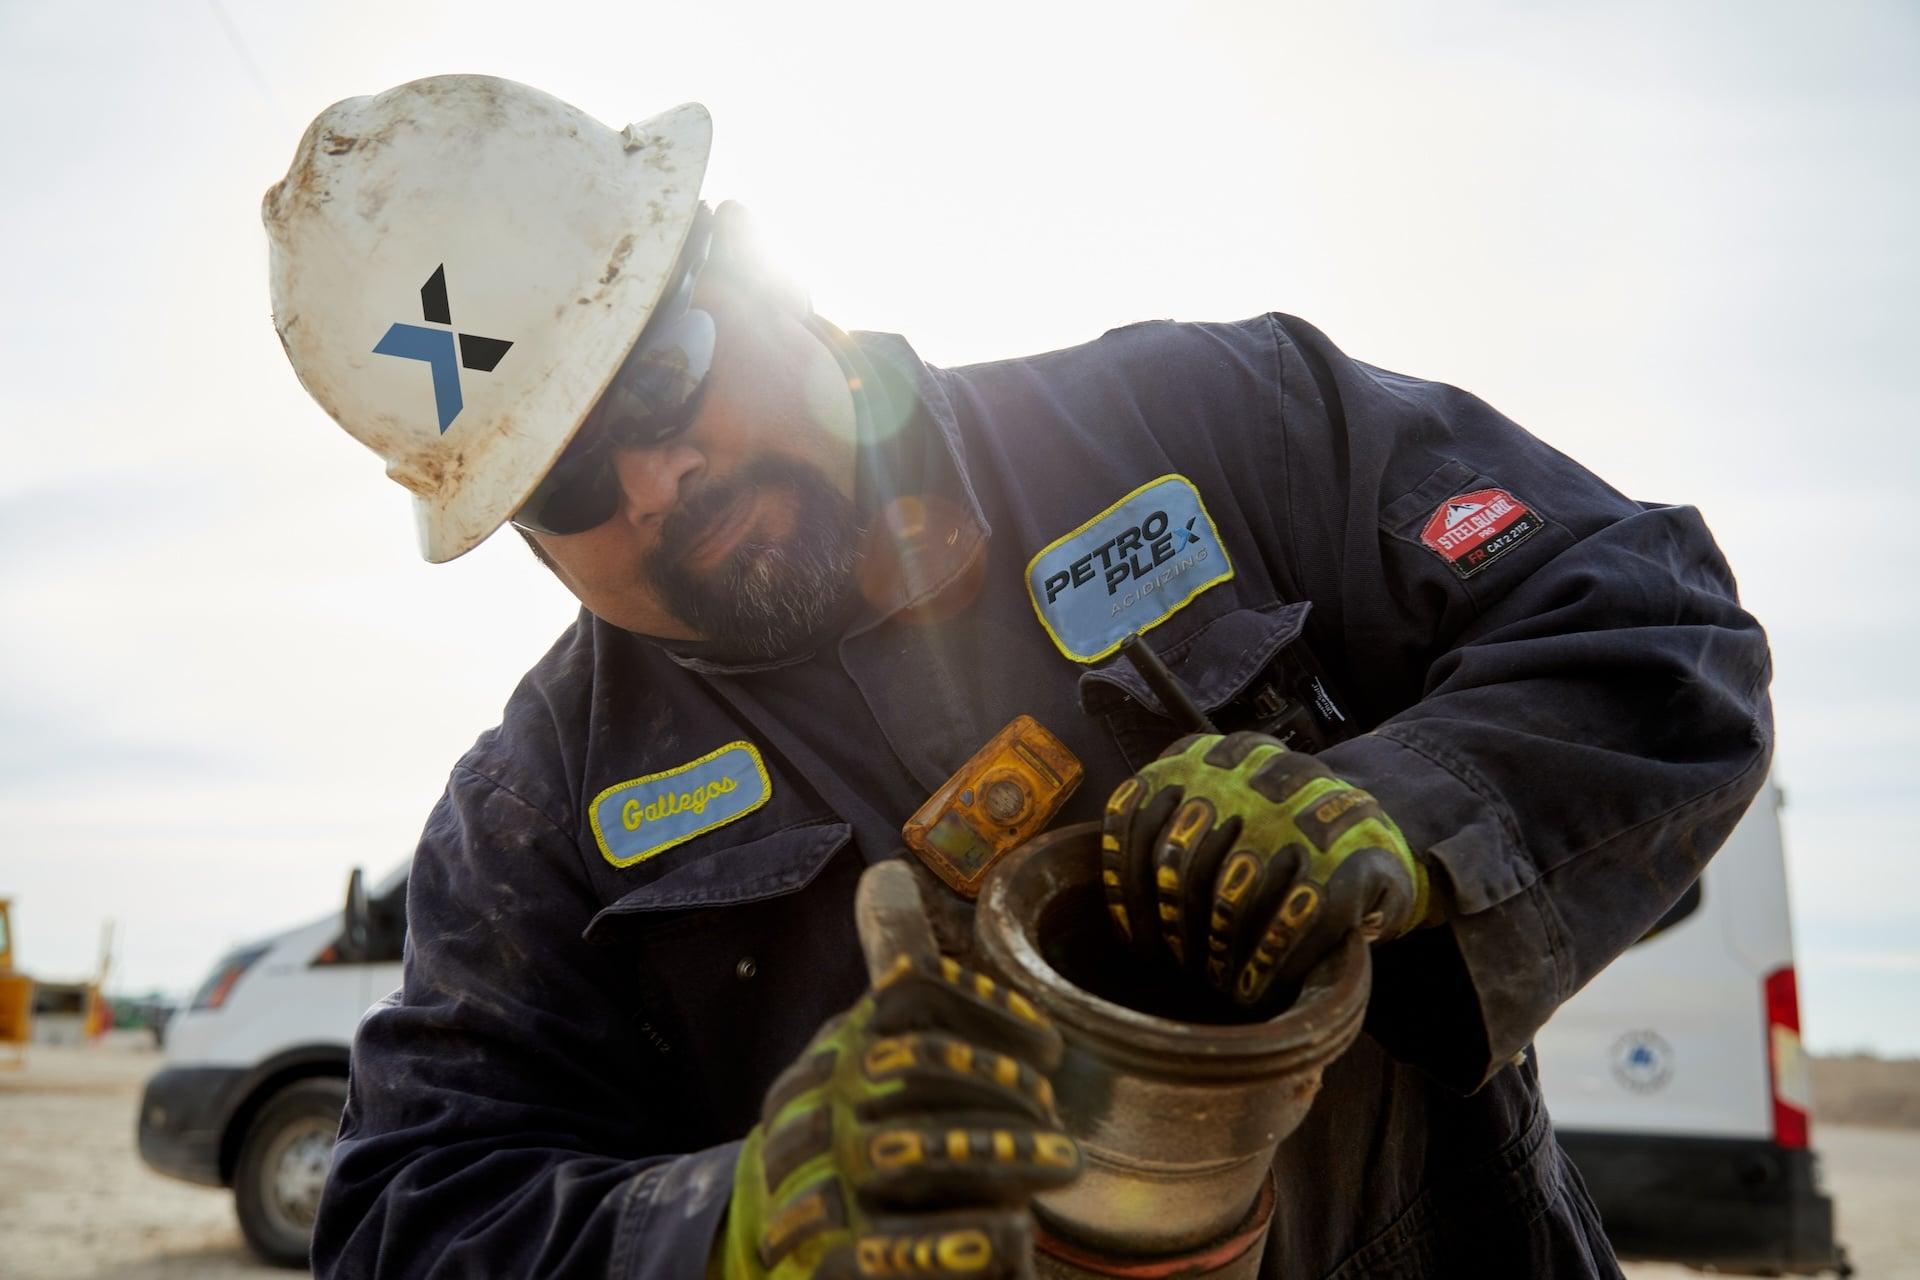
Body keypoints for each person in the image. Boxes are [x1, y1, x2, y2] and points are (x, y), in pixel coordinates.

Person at [264, 76, 1773, 1280]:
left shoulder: (1205, 427)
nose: (654, 477)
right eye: (570, 480)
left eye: (660, 377)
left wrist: (1404, 807)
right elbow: (411, 1218)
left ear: (753, 270)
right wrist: (725, 1227)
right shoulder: (537, 812)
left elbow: (1653, 623)